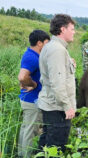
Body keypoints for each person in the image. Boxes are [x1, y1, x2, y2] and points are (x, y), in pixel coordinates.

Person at [38, 14, 76, 152]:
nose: (74, 32)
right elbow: (58, 83)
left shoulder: (53, 47)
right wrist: (67, 106)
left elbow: (56, 74)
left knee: (46, 145)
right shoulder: (57, 50)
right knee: (56, 148)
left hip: (52, 105)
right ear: (62, 29)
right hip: (57, 108)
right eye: (72, 29)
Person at [18, 30, 50, 158]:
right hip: (32, 101)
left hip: (30, 100)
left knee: (26, 129)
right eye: (46, 43)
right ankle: (26, 155)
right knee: (30, 131)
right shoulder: (32, 57)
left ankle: (21, 154)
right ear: (39, 43)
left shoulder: (33, 55)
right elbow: (22, 76)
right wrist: (34, 84)